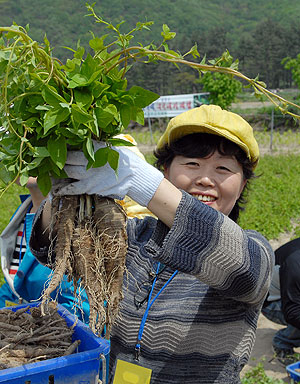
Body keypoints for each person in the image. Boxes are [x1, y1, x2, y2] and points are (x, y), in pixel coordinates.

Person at [30, 104, 274, 384]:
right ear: (167, 171)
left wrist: (142, 183)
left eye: (223, 168)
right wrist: (63, 186)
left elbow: (245, 272)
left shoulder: (254, 250)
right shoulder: (135, 237)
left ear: (242, 185)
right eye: (192, 164)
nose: (205, 179)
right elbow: (56, 249)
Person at [0, 177, 90, 322]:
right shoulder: (24, 211)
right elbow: (13, 284)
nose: (27, 156)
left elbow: (85, 308)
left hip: (63, 335)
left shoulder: (80, 221)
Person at [262, 237, 300, 364]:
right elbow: (293, 311)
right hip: (271, 303)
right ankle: (283, 342)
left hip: (292, 295)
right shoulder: (295, 263)